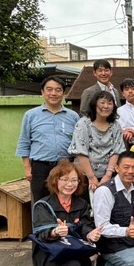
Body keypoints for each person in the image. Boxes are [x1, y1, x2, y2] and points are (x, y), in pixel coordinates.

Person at [30, 160, 103, 266]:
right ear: (55, 181)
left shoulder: (81, 204)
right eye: (64, 180)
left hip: (75, 251)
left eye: (74, 180)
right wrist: (54, 232)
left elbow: (85, 226)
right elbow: (41, 234)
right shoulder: (43, 205)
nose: (70, 184)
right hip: (51, 254)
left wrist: (90, 234)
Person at [16, 76, 79, 204]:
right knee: (41, 203)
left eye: (58, 90)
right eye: (49, 89)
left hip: (65, 166)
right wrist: (27, 168)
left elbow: (79, 143)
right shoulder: (31, 115)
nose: (53, 93)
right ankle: (42, 225)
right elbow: (24, 142)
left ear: (63, 93)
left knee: (66, 202)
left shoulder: (73, 116)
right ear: (42, 92)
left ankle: (65, 225)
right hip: (40, 167)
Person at [68, 90, 125, 195]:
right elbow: (80, 151)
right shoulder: (83, 124)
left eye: (109, 103)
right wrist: (92, 177)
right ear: (94, 104)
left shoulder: (115, 125)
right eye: (102, 102)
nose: (106, 106)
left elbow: (116, 150)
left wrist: (108, 175)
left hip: (109, 174)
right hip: (84, 174)